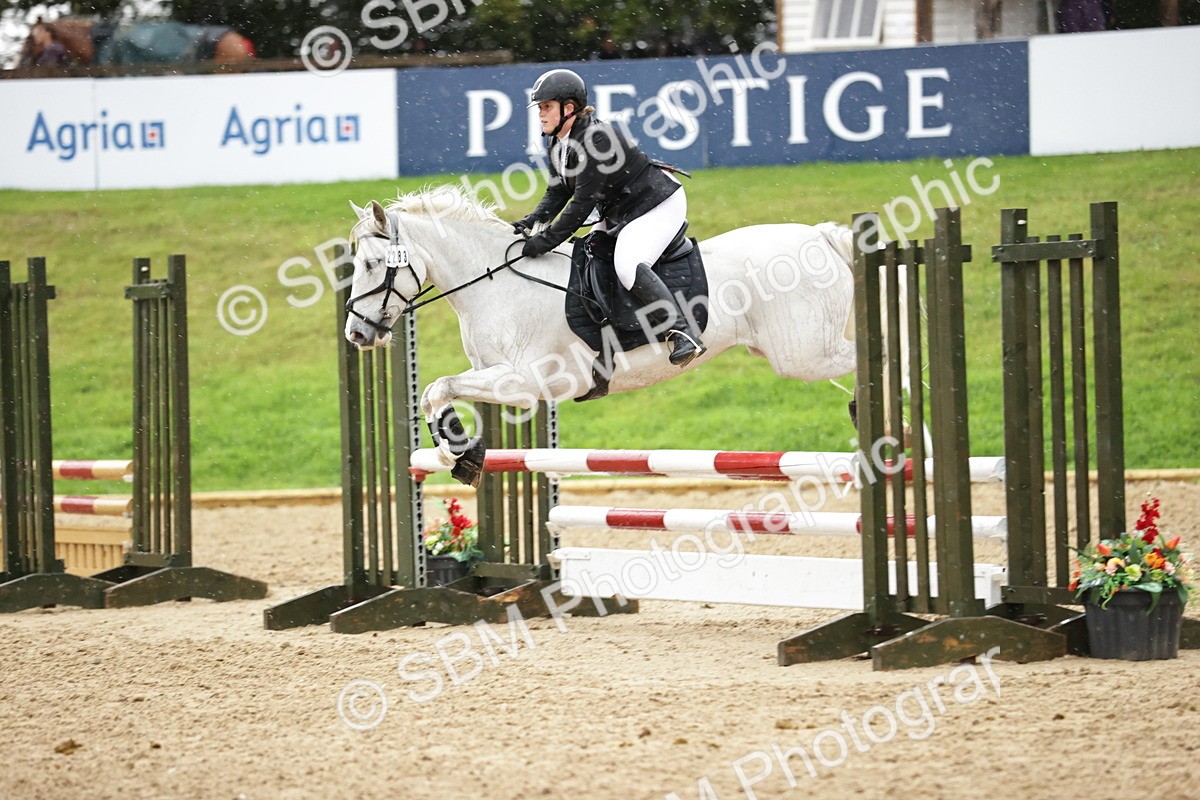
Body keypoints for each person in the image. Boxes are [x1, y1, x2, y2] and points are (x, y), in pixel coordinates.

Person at [512, 68, 705, 367]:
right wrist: (530, 222)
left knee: (627, 266)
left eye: (547, 106)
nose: (541, 114)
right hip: (621, 210)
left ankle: (683, 331)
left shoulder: (596, 139)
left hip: (656, 204)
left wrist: (544, 242)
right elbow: (558, 193)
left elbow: (580, 204)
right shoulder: (558, 143)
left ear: (569, 108)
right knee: (590, 254)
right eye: (540, 107)